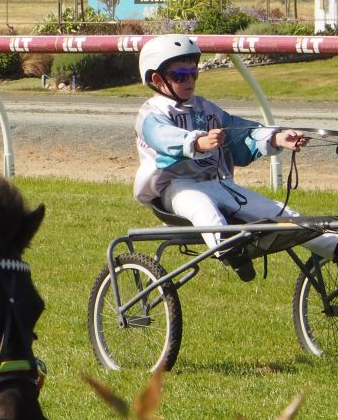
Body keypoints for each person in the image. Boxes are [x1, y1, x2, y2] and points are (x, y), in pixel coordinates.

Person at [133, 34, 338, 279]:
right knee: (203, 209)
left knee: (285, 216)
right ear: (157, 79)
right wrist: (198, 141)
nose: (190, 80)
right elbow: (162, 137)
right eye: (180, 76)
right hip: (175, 188)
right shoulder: (151, 113)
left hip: (219, 184)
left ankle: (333, 247)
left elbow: (240, 132)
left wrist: (276, 138)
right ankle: (231, 253)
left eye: (193, 73)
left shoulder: (206, 108)